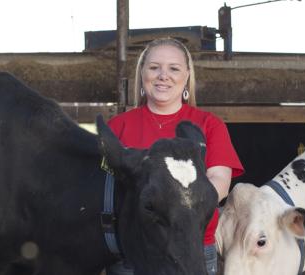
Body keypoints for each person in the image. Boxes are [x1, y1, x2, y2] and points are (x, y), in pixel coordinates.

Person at [105, 37, 244, 275]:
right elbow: (104, 190)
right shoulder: (117, 127)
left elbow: (220, 182)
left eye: (174, 68)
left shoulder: (209, 125)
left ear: (187, 76)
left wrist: (176, 206)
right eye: (154, 67)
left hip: (192, 252)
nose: (163, 75)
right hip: (131, 254)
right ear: (142, 73)